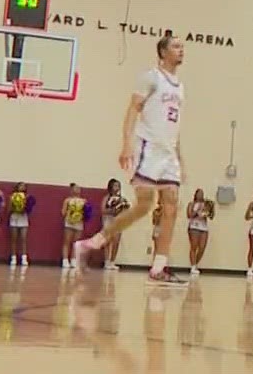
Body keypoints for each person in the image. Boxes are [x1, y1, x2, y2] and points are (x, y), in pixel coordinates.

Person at [75, 34, 188, 285]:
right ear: (163, 52)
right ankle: (93, 242)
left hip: (168, 153)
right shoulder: (151, 77)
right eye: (176, 47)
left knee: (171, 206)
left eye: (182, 47)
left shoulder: (179, 86)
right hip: (148, 148)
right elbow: (132, 110)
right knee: (144, 206)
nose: (182, 51)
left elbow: (175, 125)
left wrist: (180, 157)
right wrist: (126, 144)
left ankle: (159, 267)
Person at [99, 179, 130, 271]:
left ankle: (112, 261)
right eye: (115, 185)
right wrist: (112, 211)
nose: (117, 188)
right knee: (107, 241)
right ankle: (107, 261)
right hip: (108, 221)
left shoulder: (122, 199)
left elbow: (126, 209)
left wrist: (122, 208)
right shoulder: (106, 198)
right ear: (111, 187)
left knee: (116, 241)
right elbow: (103, 210)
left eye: (118, 186)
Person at [183, 188, 214, 276]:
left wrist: (209, 210)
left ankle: (195, 263)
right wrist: (197, 211)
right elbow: (189, 215)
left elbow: (211, 216)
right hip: (194, 226)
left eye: (202, 193)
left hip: (203, 227)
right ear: (195, 194)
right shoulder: (192, 204)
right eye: (199, 193)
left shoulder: (206, 204)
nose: (200, 195)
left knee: (202, 247)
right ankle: (193, 266)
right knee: (194, 246)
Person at [59, 182, 87, 271]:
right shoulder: (67, 200)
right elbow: (63, 212)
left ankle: (74, 259)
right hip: (69, 222)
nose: (78, 190)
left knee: (76, 242)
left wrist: (81, 215)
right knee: (67, 241)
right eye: (75, 188)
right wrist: (70, 213)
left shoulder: (83, 201)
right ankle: (65, 260)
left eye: (79, 188)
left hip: (79, 223)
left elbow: (86, 213)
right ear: (71, 190)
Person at [5, 181, 32, 267]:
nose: (22, 187)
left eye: (23, 186)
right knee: (14, 238)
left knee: (23, 238)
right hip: (15, 217)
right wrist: (14, 208)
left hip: (23, 218)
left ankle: (24, 258)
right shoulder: (12, 196)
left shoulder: (27, 197)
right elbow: (8, 209)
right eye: (20, 186)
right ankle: (13, 257)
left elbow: (29, 209)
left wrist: (26, 208)